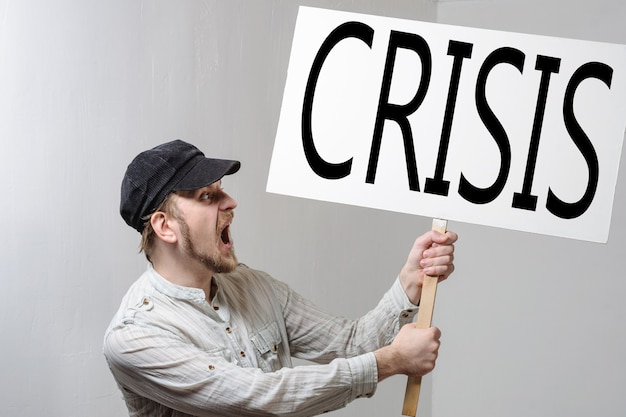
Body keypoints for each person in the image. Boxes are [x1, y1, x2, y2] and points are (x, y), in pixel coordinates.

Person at [103, 139, 458, 417]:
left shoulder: (253, 286)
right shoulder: (134, 337)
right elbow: (261, 400)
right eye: (208, 196)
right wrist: (391, 362)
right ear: (165, 227)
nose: (230, 202)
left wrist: (410, 282)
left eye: (221, 189)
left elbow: (352, 343)